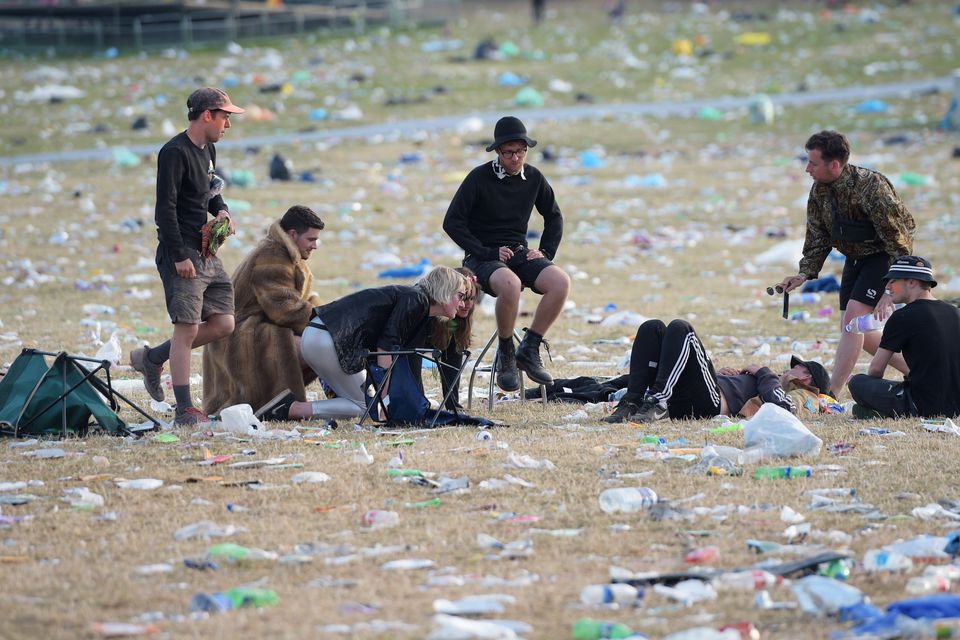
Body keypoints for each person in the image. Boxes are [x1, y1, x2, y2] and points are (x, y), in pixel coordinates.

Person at [130, 87, 244, 426]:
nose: (228, 124)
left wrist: (221, 210)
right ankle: (185, 410)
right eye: (225, 117)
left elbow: (209, 190)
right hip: (181, 251)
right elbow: (164, 209)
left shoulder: (208, 149)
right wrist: (179, 255)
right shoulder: (173, 153)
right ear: (206, 115)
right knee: (187, 328)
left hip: (206, 250)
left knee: (224, 323)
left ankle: (153, 358)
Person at [777, 130, 915, 399]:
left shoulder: (872, 187)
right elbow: (818, 236)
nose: (807, 169)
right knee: (855, 329)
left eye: (813, 163)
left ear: (834, 165)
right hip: (855, 259)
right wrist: (803, 274)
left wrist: (893, 287)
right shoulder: (819, 191)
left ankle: (831, 395)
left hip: (883, 255)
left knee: (853, 321)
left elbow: (899, 241)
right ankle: (915, 371)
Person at [443, 115, 570, 393]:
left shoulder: (534, 177)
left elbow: (554, 216)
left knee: (560, 282)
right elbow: (452, 222)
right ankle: (506, 354)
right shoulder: (479, 178)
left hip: (518, 252)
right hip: (482, 257)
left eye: (521, 151)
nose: (516, 158)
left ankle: (530, 347)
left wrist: (546, 251)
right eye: (509, 152)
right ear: (498, 152)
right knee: (510, 285)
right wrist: (485, 250)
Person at [254, 266, 468, 422]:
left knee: (366, 402)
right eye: (460, 295)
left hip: (322, 335)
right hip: (326, 339)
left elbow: (404, 358)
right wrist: (386, 398)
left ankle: (289, 407)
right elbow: (385, 347)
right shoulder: (416, 300)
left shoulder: (419, 306)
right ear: (445, 291)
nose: (462, 303)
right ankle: (289, 409)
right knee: (365, 406)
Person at [201, 205, 325, 416]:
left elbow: (297, 300)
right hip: (239, 338)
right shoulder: (272, 255)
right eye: (311, 239)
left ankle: (276, 402)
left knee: (319, 341)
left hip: (257, 328)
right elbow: (283, 307)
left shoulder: (288, 252)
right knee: (311, 346)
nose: (315, 246)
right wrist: (325, 322)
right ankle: (269, 404)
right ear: (293, 234)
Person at [603, 318, 830, 423]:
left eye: (798, 366)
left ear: (807, 376)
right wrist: (720, 375)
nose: (792, 368)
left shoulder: (804, 395)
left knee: (682, 329)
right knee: (653, 328)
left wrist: (764, 372)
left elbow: (786, 409)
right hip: (700, 393)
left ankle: (658, 402)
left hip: (709, 404)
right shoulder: (769, 382)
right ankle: (631, 404)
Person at [848, 256, 960, 419]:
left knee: (857, 382)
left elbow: (876, 369)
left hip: (922, 405)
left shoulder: (903, 316)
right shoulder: (955, 312)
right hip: (956, 404)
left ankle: (877, 410)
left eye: (893, 281)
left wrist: (872, 394)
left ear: (912, 282)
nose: (887, 287)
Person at [423, 267, 478, 411]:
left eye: (472, 298)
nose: (467, 305)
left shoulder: (460, 322)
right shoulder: (429, 315)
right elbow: (411, 361)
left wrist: (453, 405)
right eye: (463, 298)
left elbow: (452, 366)